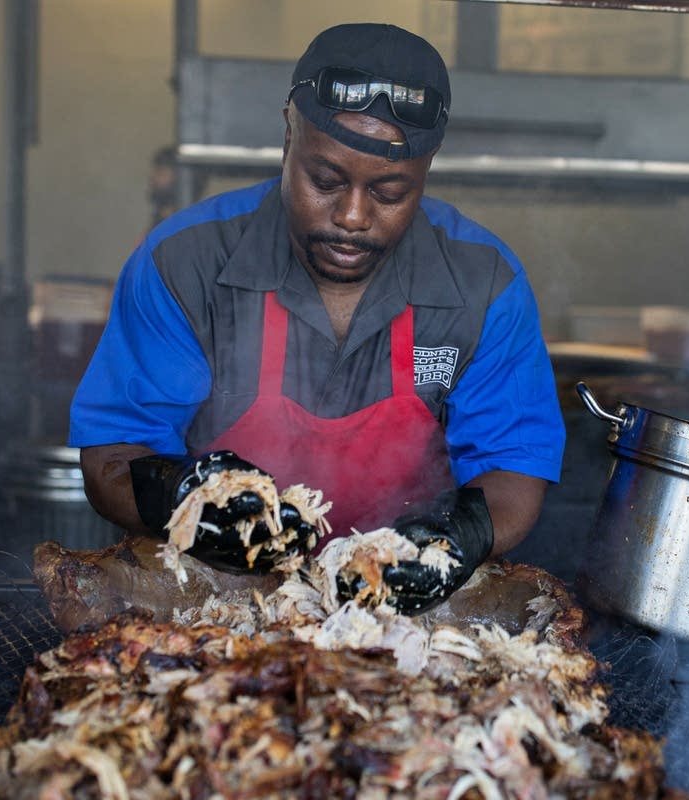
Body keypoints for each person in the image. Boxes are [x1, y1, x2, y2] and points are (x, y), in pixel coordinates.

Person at [70, 23, 564, 614]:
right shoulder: (185, 264)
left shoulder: (485, 285)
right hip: (215, 610)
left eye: (389, 193)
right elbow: (111, 458)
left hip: (402, 621)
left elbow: (512, 469)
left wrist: (454, 541)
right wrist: (187, 502)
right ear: (288, 137)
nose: (352, 216)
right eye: (325, 181)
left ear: (427, 169)